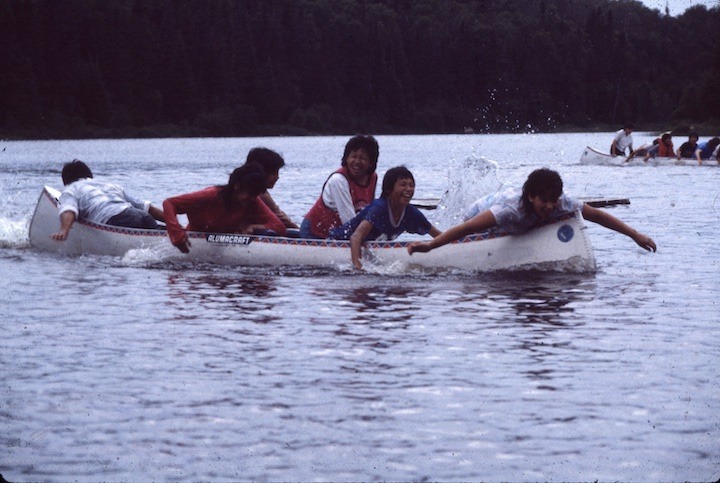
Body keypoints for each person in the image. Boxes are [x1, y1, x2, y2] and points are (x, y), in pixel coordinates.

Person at [407, 168, 656, 257]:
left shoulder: (562, 202)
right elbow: (466, 228)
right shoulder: (510, 211)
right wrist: (430, 247)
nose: (550, 206)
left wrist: (636, 236)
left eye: (553, 200)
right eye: (543, 201)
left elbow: (598, 216)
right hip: (479, 213)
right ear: (531, 197)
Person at [328, 166, 443, 269]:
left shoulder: (411, 212)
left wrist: (457, 242)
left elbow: (438, 236)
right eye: (403, 185)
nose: (408, 189)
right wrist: (358, 267)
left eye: (411, 185)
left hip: (369, 247)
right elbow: (355, 237)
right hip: (338, 243)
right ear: (388, 190)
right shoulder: (379, 207)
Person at [162, 163, 286, 253]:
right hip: (195, 242)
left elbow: (280, 227)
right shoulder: (210, 195)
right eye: (250, 194)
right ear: (237, 186)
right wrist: (176, 234)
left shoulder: (253, 200)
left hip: (225, 245)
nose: (252, 200)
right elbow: (169, 203)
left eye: (255, 195)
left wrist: (254, 227)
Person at [51, 159, 165, 241]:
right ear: (89, 175)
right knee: (158, 240)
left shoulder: (71, 189)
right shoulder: (109, 184)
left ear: (66, 181)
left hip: (117, 218)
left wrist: (63, 231)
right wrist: (173, 223)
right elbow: (147, 208)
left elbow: (69, 210)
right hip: (141, 215)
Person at [300, 134, 379, 238]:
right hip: (314, 233)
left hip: (340, 233)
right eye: (353, 156)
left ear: (371, 163)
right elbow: (349, 219)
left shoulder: (372, 177)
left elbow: (370, 212)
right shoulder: (338, 181)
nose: (357, 162)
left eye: (363, 158)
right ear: (346, 158)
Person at [244, 147, 299, 230]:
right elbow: (281, 220)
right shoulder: (260, 194)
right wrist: (300, 232)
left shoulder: (246, 188)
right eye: (274, 173)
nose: (277, 177)